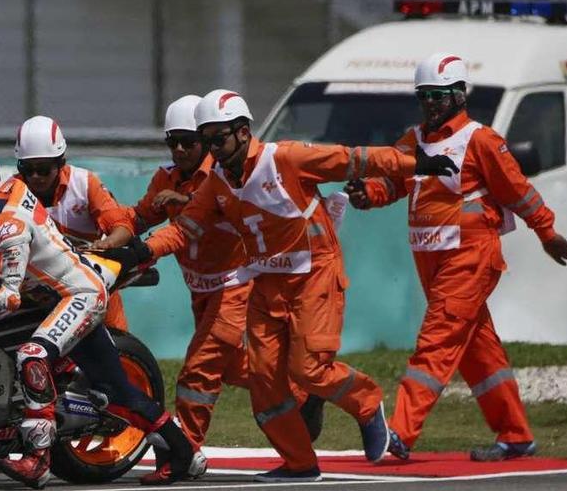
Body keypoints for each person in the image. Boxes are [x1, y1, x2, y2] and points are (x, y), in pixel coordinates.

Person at [131, 89, 459, 482]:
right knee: (266, 386)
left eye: (216, 140)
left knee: (309, 369)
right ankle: (300, 463)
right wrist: (138, 251)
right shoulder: (217, 183)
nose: (212, 150)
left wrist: (415, 162)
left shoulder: (284, 157)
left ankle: (368, 404)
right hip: (266, 282)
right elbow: (184, 229)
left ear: (242, 132)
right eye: (208, 140)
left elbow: (353, 159)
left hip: (314, 272)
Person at [0, 154, 193, 488]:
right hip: (44, 297)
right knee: (116, 392)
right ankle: (186, 453)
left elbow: (7, 297)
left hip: (76, 294)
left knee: (32, 354)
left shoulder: (9, 228)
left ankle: (38, 459)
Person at [345, 52, 567, 462]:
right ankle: (516, 435)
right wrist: (369, 194)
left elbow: (517, 189)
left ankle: (398, 434)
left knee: (435, 343)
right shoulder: (413, 141)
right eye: (425, 95)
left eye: (439, 95)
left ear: (458, 95)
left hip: (470, 257)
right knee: (477, 351)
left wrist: (546, 231)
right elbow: (394, 183)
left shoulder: (480, 139)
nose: (431, 103)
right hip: (432, 260)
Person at [14, 115, 134, 332]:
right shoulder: (11, 190)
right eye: (26, 168)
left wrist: (105, 245)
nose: (34, 177)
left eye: (43, 169)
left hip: (91, 280)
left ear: (60, 162)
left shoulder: (85, 184)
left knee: (119, 350)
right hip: (36, 290)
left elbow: (122, 227)